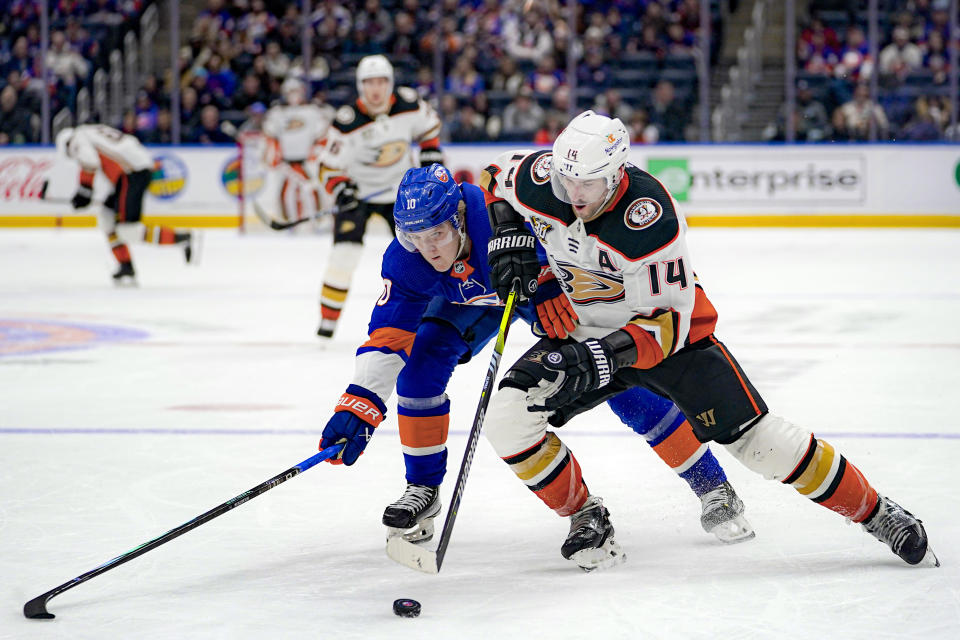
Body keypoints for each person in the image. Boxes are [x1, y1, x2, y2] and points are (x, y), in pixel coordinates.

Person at [478, 110, 939, 571]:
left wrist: (604, 354)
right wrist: (508, 230)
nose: (573, 195)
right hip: (583, 328)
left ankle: (877, 512)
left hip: (666, 339)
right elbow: (494, 174)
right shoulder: (545, 179)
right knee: (507, 417)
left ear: (617, 174)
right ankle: (584, 514)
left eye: (587, 185)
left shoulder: (649, 219)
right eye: (566, 181)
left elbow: (669, 326)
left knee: (758, 444)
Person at [317, 163, 754, 545]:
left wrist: (546, 279)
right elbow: (387, 336)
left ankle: (711, 485)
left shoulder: (498, 211)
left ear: (462, 217)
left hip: (536, 288)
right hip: (462, 302)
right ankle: (423, 490)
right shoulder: (407, 259)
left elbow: (568, 234)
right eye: (414, 237)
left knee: (610, 376)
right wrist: (359, 404)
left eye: (437, 234)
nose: (428, 249)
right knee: (417, 372)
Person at [315, 54, 443, 338]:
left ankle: (431, 318)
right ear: (361, 86)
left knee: (420, 255)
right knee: (343, 255)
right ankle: (326, 326)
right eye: (369, 82)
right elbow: (326, 167)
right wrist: (341, 189)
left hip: (403, 193)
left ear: (391, 83)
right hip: (359, 194)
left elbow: (430, 128)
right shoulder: (347, 122)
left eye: (381, 81)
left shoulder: (409, 105)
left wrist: (430, 156)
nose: (376, 89)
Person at [54, 125, 194, 285]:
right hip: (132, 172)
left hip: (132, 174)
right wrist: (85, 192)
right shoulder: (90, 130)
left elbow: (89, 161)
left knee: (129, 231)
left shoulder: (77, 138)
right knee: (107, 216)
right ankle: (125, 265)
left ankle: (181, 237)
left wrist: (85, 190)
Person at [262, 76, 332, 222]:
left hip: (307, 161)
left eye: (296, 91)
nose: (293, 95)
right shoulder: (277, 113)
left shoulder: (312, 111)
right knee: (284, 193)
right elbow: (269, 133)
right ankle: (288, 221)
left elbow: (323, 131)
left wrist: (317, 152)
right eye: (290, 91)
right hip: (286, 162)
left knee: (313, 190)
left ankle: (318, 221)